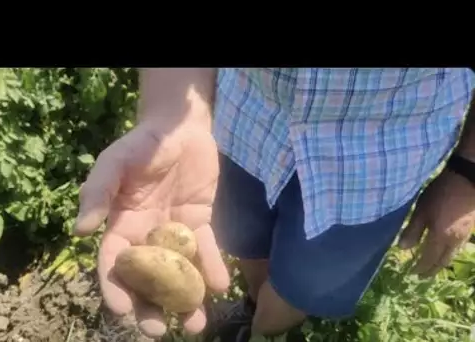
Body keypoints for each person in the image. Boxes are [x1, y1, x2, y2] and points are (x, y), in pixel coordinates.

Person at [74, 68, 475, 341]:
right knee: (245, 243)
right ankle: (250, 309)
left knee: (302, 288)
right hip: (246, 123)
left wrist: (468, 170)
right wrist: (171, 112)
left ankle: (263, 331)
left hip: (378, 161)